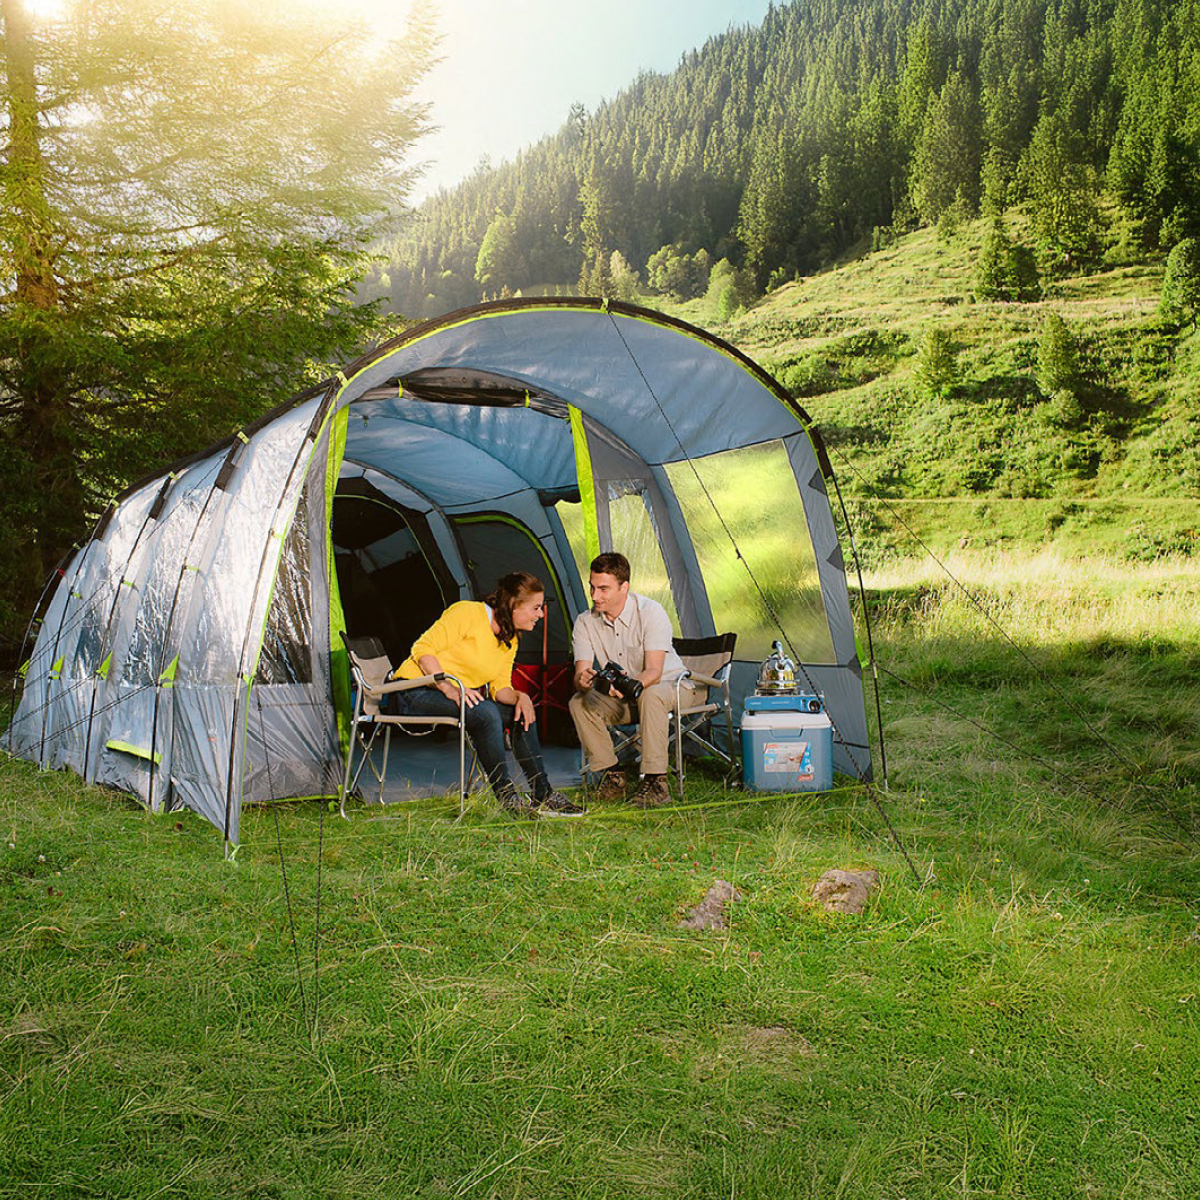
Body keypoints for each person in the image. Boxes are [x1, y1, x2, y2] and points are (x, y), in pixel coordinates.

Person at [387, 571, 582, 818]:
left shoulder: (509, 639)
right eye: (536, 608)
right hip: (413, 691)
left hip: (455, 695)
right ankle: (507, 797)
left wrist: (521, 697)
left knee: (520, 712)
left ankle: (542, 793)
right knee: (486, 712)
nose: (541, 614)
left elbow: (499, 688)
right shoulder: (467, 613)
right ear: (514, 605)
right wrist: (449, 687)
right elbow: (423, 649)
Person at [568, 552, 700, 807]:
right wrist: (583, 680)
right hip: (626, 698)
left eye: (603, 589)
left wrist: (625, 687)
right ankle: (613, 777)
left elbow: (654, 672)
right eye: (592, 587)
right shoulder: (585, 622)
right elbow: (580, 674)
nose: (595, 596)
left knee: (650, 693)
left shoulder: (650, 612)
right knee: (579, 702)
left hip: (673, 687)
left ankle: (656, 783)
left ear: (624, 587)